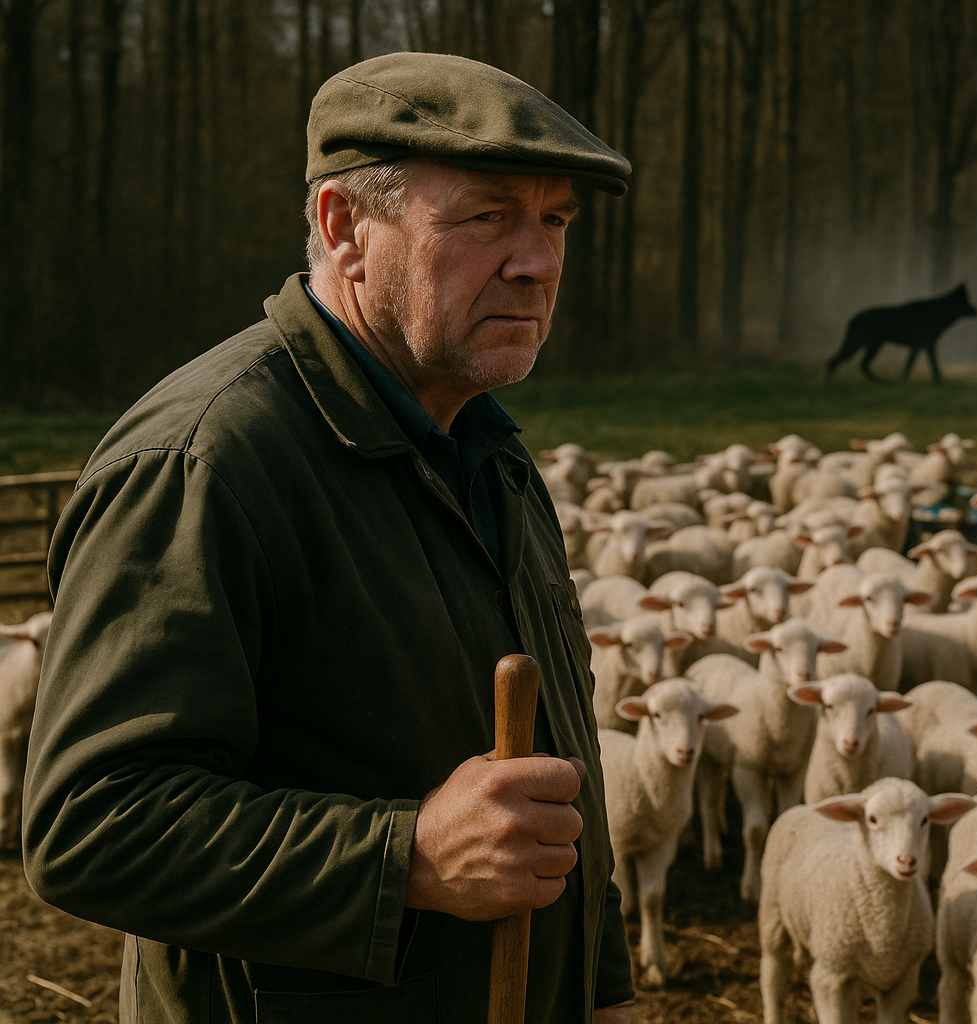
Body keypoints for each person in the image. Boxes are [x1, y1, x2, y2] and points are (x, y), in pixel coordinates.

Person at [23, 54, 637, 1024]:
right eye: (487, 217)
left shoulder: (492, 456)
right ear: (344, 227)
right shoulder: (208, 464)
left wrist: (602, 989)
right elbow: (92, 822)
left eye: (554, 221)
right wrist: (407, 858)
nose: (538, 262)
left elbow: (558, 774)